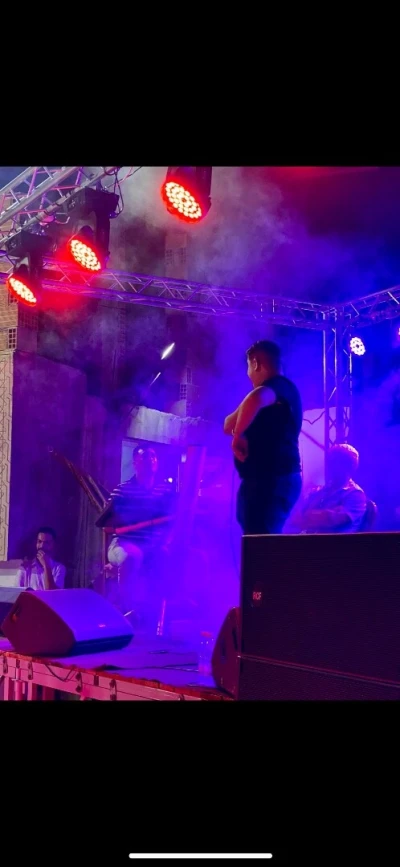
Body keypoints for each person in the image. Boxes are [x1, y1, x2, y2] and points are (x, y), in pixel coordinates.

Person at [224, 340, 303, 534]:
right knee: (256, 536)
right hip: (265, 480)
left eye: (248, 366)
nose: (248, 373)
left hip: (272, 480)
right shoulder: (270, 394)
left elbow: (257, 397)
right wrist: (239, 426)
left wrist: (239, 435)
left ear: (256, 363)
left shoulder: (280, 386)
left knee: (261, 541)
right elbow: (227, 424)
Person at [101, 446, 176, 615]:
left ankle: (157, 613)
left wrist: (167, 542)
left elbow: (172, 522)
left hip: (153, 545)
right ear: (135, 463)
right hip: (123, 543)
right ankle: (126, 610)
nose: (151, 460)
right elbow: (106, 523)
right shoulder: (122, 490)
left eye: (153, 457)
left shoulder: (165, 490)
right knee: (133, 556)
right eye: (145, 457)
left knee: (166, 557)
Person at [292, 443, 367, 534]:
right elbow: (299, 516)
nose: (329, 466)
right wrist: (319, 514)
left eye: (335, 461)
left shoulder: (355, 494)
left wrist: (312, 515)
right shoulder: (321, 490)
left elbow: (332, 520)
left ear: (349, 466)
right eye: (330, 461)